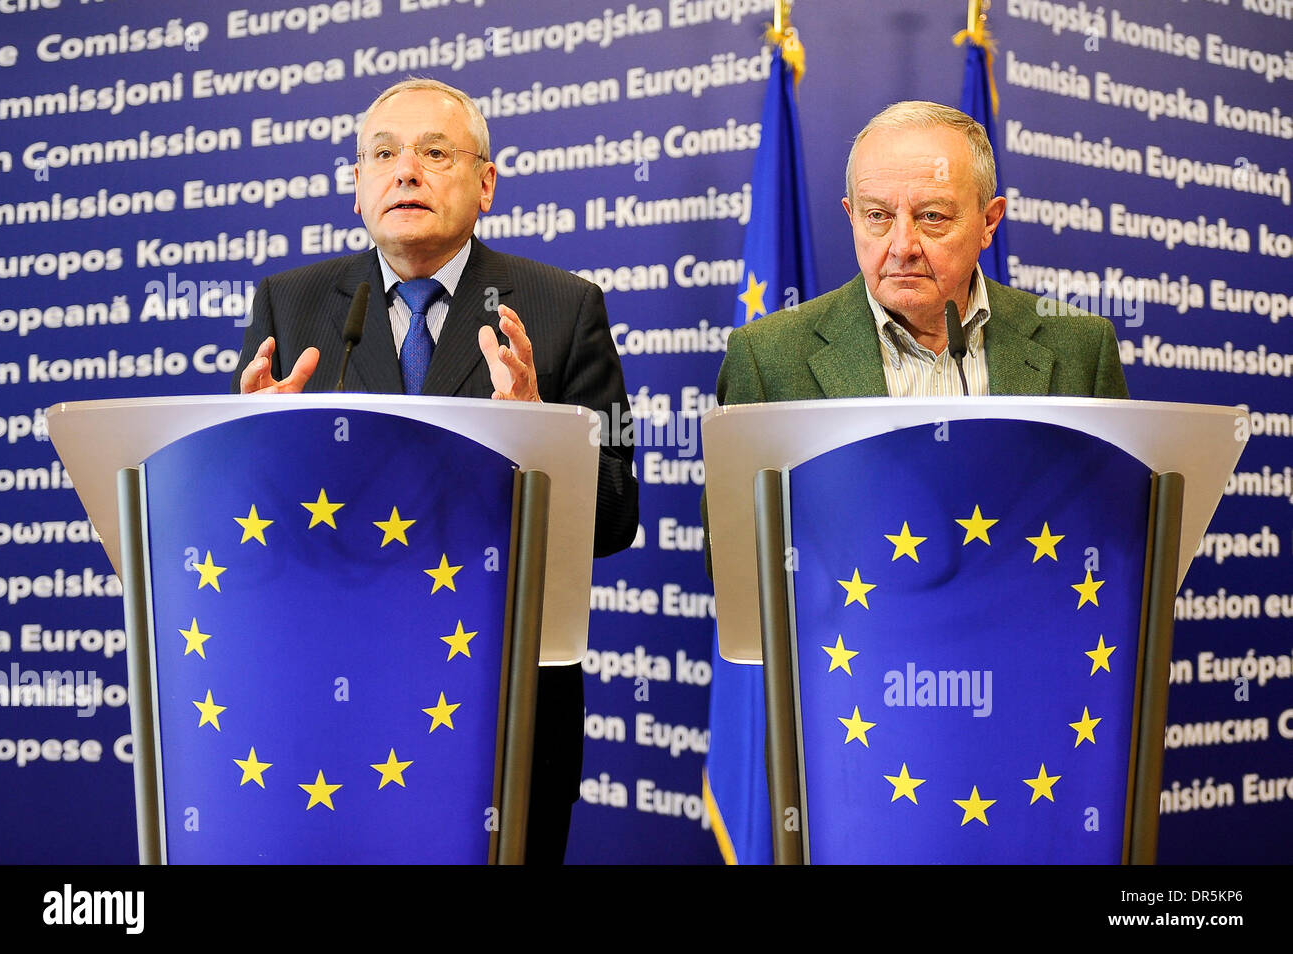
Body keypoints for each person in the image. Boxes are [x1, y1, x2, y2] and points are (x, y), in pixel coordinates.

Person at [231, 77, 639, 863]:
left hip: (502, 701)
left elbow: (618, 514)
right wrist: (253, 447)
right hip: (332, 692)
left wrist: (541, 428)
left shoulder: (564, 308)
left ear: (486, 183)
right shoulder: (292, 305)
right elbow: (248, 526)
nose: (405, 171)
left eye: (434, 152)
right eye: (382, 154)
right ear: (357, 187)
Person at [717, 100, 1129, 405]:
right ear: (852, 217)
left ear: (988, 222)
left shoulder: (1081, 349)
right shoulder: (766, 359)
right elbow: (735, 523)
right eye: (877, 215)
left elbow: (1112, 513)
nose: (902, 247)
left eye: (932, 216)